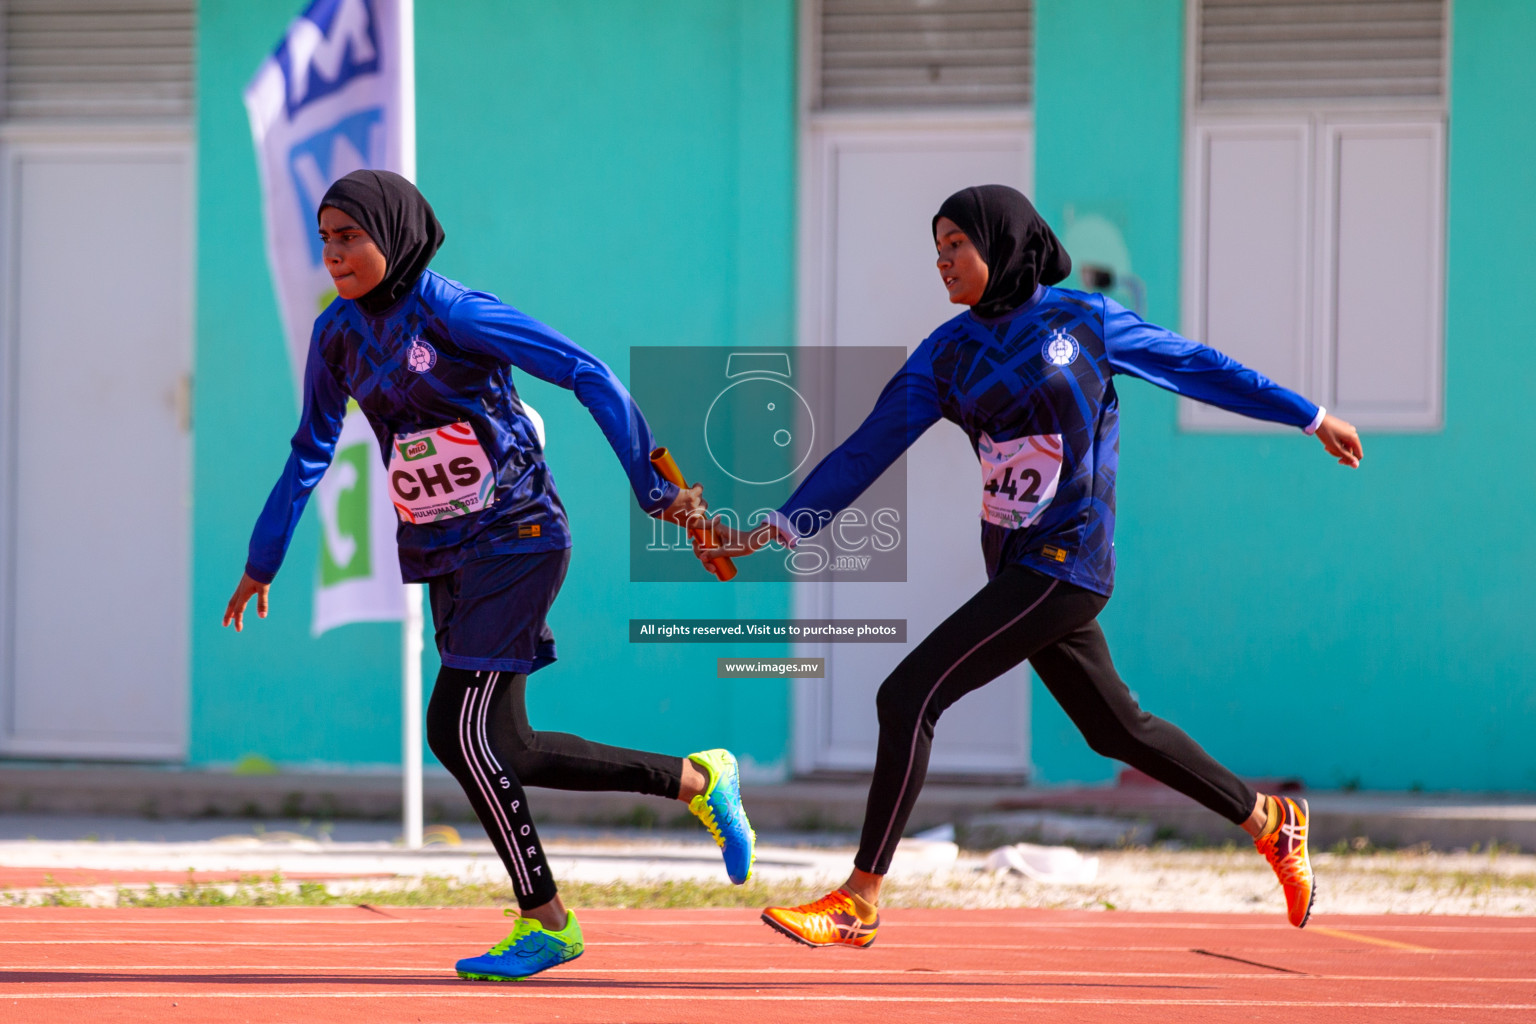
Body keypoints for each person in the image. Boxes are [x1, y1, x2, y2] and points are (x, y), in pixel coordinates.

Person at [696, 184, 1362, 947]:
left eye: (957, 245)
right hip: (1015, 563)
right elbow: (865, 449)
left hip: (1069, 555)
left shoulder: (1085, 321)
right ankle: (1271, 820)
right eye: (936, 248)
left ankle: (859, 896)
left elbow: (1199, 367)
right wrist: (778, 525)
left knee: (907, 695)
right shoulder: (946, 355)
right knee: (1118, 729)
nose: (943, 261)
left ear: (1001, 244)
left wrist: (1307, 416)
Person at [223, 169, 756, 980]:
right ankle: (698, 779)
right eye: (325, 238)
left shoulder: (454, 311)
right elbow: (311, 447)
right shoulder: (335, 337)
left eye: (350, 236)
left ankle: (547, 921)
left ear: (394, 235)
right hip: (444, 550)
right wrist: (264, 560)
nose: (332, 254)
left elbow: (585, 371)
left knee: (455, 729)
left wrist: (661, 495)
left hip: (520, 533)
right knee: (512, 745)